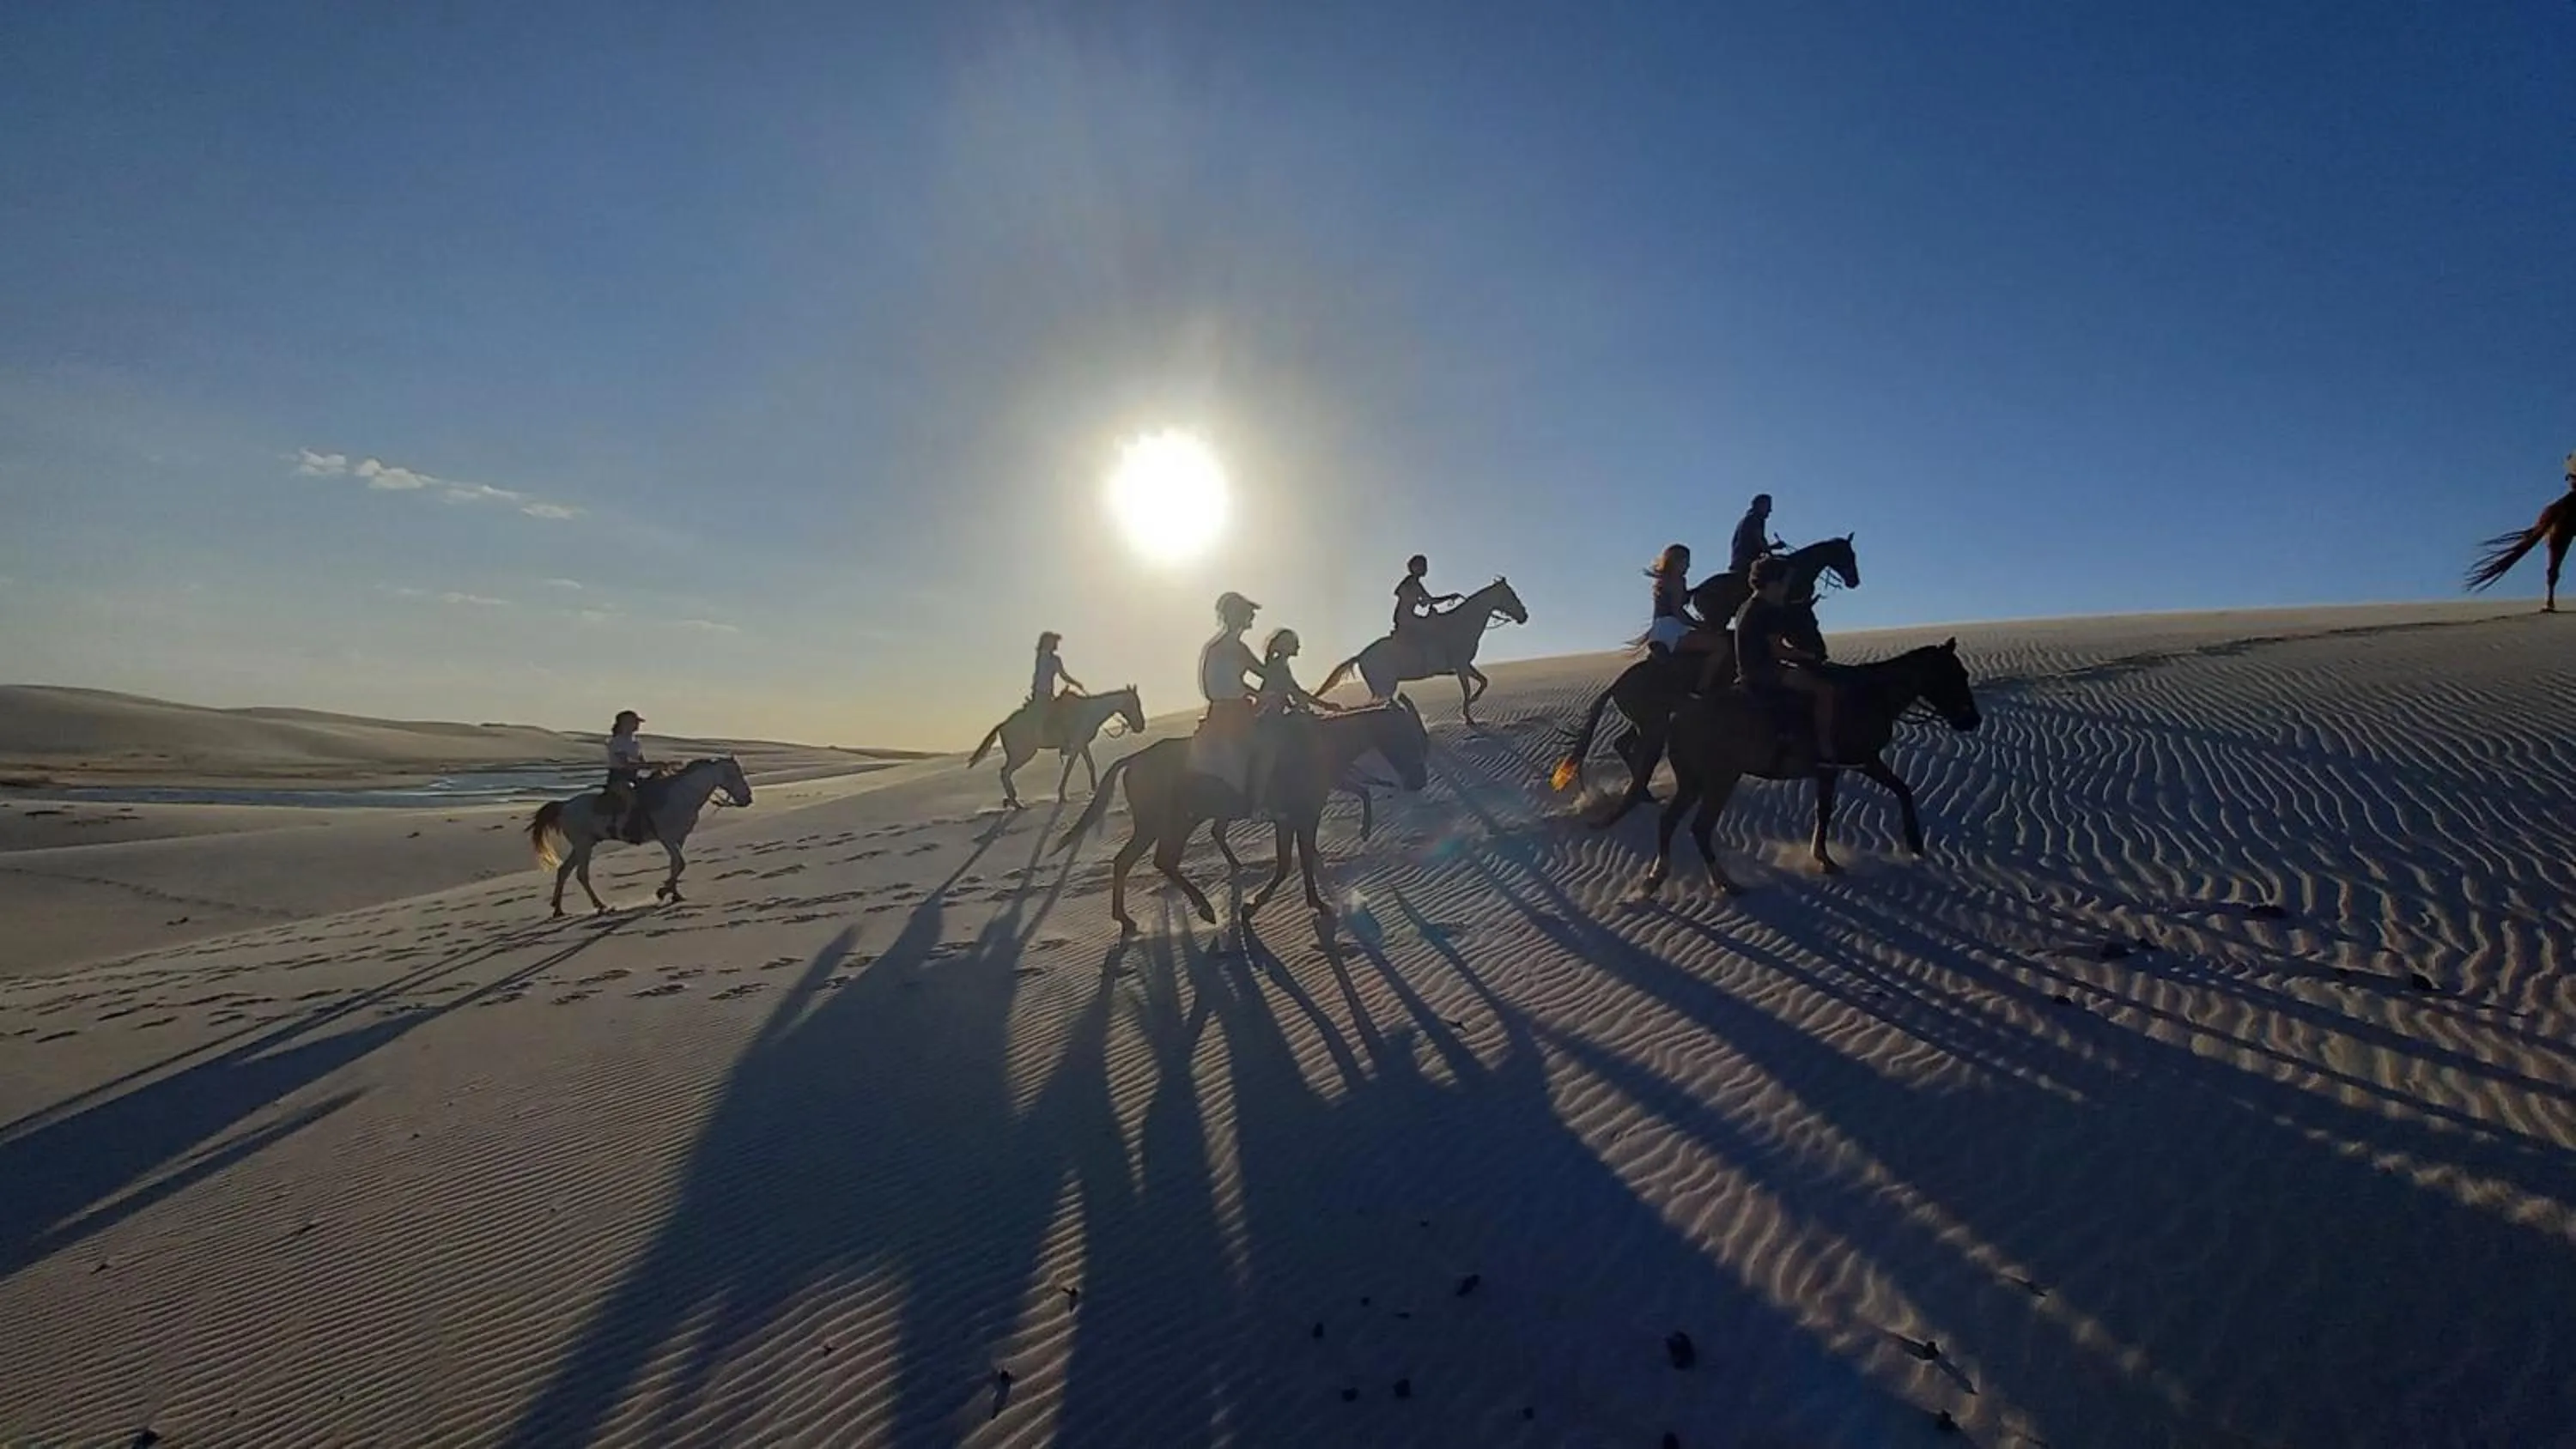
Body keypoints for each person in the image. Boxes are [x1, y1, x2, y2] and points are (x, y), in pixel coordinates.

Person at [1732, 556, 1838, 762]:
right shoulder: (1769, 610)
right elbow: (1779, 650)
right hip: (1766, 672)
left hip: (1746, 671)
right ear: (1773, 583)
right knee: (1825, 690)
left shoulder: (1745, 606)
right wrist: (1806, 655)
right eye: (1785, 583)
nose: (1787, 589)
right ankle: (1825, 747)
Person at [1195, 591, 1267, 806]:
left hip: (1220, 710)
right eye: (1249, 613)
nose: (1252, 617)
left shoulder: (1215, 647)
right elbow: (1264, 674)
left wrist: (1253, 692)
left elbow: (1221, 684)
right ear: (1239, 616)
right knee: (1267, 746)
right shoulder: (1235, 648)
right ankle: (1257, 802)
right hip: (1234, 713)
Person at [1642, 543, 1727, 682]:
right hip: (1672, 629)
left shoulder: (1662, 579)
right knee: (1721, 646)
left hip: (1658, 631)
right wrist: (1699, 625)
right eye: (1686, 562)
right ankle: (1701, 691)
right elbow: (1678, 612)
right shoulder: (1678, 580)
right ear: (1676, 561)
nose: (1688, 566)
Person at [600, 709, 653, 836]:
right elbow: (625, 764)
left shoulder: (635, 742)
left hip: (634, 777)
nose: (638, 725)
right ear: (626, 723)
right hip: (619, 778)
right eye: (635, 722)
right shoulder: (617, 741)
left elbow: (642, 762)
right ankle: (621, 826)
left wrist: (659, 766)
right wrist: (649, 765)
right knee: (630, 798)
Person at [1030, 631, 1086, 742]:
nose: (1055, 644)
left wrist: (1075, 683)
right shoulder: (1044, 657)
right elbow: (1046, 676)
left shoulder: (1053, 659)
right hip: (1042, 694)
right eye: (1052, 642)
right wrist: (1075, 683)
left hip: (1046, 694)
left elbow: (1063, 676)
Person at [1730, 493, 1783, 579]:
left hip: (1740, 561)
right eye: (1767, 506)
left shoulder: (1749, 519)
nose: (1770, 510)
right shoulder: (1754, 520)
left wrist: (1772, 548)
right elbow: (1760, 544)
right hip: (1747, 562)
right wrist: (1773, 549)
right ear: (1759, 505)